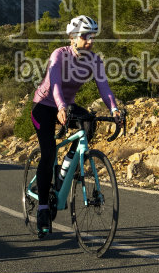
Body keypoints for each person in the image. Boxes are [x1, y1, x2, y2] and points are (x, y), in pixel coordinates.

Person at [31, 14, 124, 237]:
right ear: (73, 37)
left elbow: (104, 88)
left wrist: (114, 109)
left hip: (68, 105)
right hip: (44, 105)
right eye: (85, 36)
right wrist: (61, 106)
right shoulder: (59, 55)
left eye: (93, 36)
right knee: (48, 151)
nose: (90, 40)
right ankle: (43, 207)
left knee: (90, 124)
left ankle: (65, 170)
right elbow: (54, 84)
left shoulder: (94, 60)